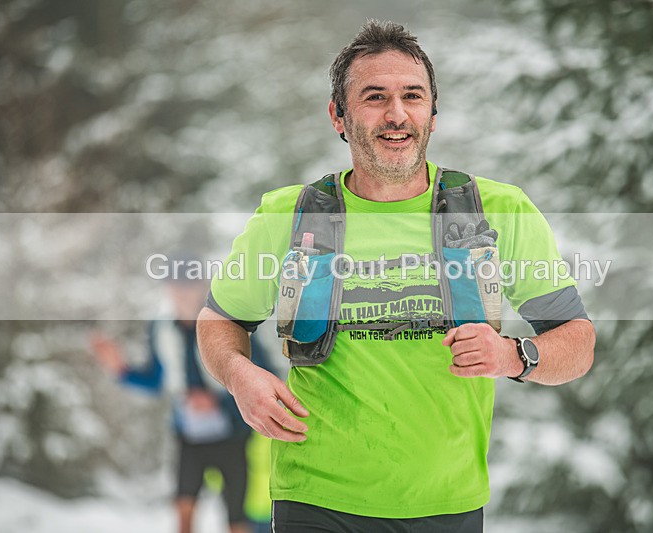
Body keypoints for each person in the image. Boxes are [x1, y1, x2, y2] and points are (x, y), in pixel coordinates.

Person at [197, 21, 595, 533]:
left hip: (446, 503)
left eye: (413, 95)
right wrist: (238, 375)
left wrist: (515, 356)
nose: (397, 114)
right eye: (374, 96)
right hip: (314, 499)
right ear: (338, 116)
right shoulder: (291, 216)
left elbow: (578, 343)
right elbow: (219, 318)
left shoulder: (496, 211)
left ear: (434, 114)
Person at [92, 257, 273, 533]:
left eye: (188, 285)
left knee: (237, 516)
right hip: (189, 435)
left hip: (233, 435)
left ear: (203, 286)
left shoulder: (229, 323)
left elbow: (260, 372)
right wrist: (121, 369)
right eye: (175, 285)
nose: (182, 293)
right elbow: (156, 380)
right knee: (183, 507)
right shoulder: (161, 329)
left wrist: (219, 401)